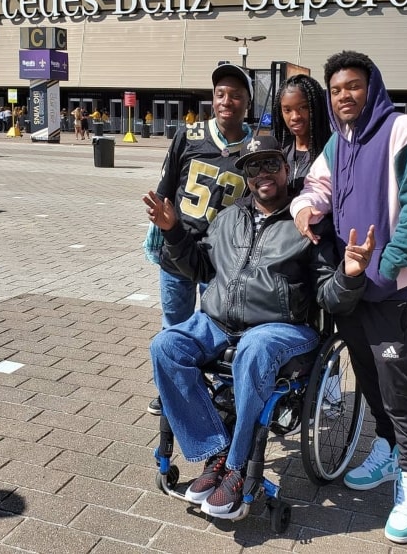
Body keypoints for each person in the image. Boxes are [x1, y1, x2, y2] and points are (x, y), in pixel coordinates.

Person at [145, 135, 375, 520]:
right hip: (217, 321)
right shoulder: (229, 217)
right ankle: (215, 452)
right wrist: (173, 231)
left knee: (255, 349)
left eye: (271, 164)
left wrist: (350, 276)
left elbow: (328, 295)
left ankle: (236, 468)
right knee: (165, 346)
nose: (262, 174)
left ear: (286, 169)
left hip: (282, 328)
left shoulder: (307, 224)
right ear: (246, 175)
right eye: (253, 167)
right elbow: (200, 268)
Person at [291, 50, 407, 545]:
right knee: (368, 376)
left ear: (372, 86)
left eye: (353, 86)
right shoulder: (339, 143)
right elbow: (316, 184)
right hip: (354, 283)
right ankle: (386, 448)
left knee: (401, 386)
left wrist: (385, 264)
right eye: (337, 90)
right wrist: (306, 206)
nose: (345, 96)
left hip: (400, 288)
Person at [144, 63, 254, 415]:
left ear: (247, 102)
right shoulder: (188, 136)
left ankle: (221, 386)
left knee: (217, 325)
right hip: (178, 249)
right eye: (221, 94)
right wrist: (157, 230)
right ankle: (171, 388)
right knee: (174, 324)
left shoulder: (255, 147)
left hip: (220, 258)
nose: (227, 101)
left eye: (236, 95)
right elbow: (166, 188)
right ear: (212, 99)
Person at [272, 73, 331, 194]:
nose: (295, 117)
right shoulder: (277, 148)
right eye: (287, 110)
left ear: (316, 107)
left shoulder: (331, 150)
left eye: (303, 107)